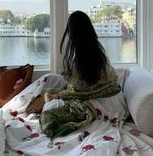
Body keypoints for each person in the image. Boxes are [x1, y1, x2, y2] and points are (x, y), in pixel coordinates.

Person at [39, 10, 121, 138]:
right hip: (115, 102)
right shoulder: (99, 51)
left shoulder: (80, 57)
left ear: (72, 33)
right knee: (52, 90)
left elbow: (77, 91)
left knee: (49, 110)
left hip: (98, 105)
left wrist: (56, 96)